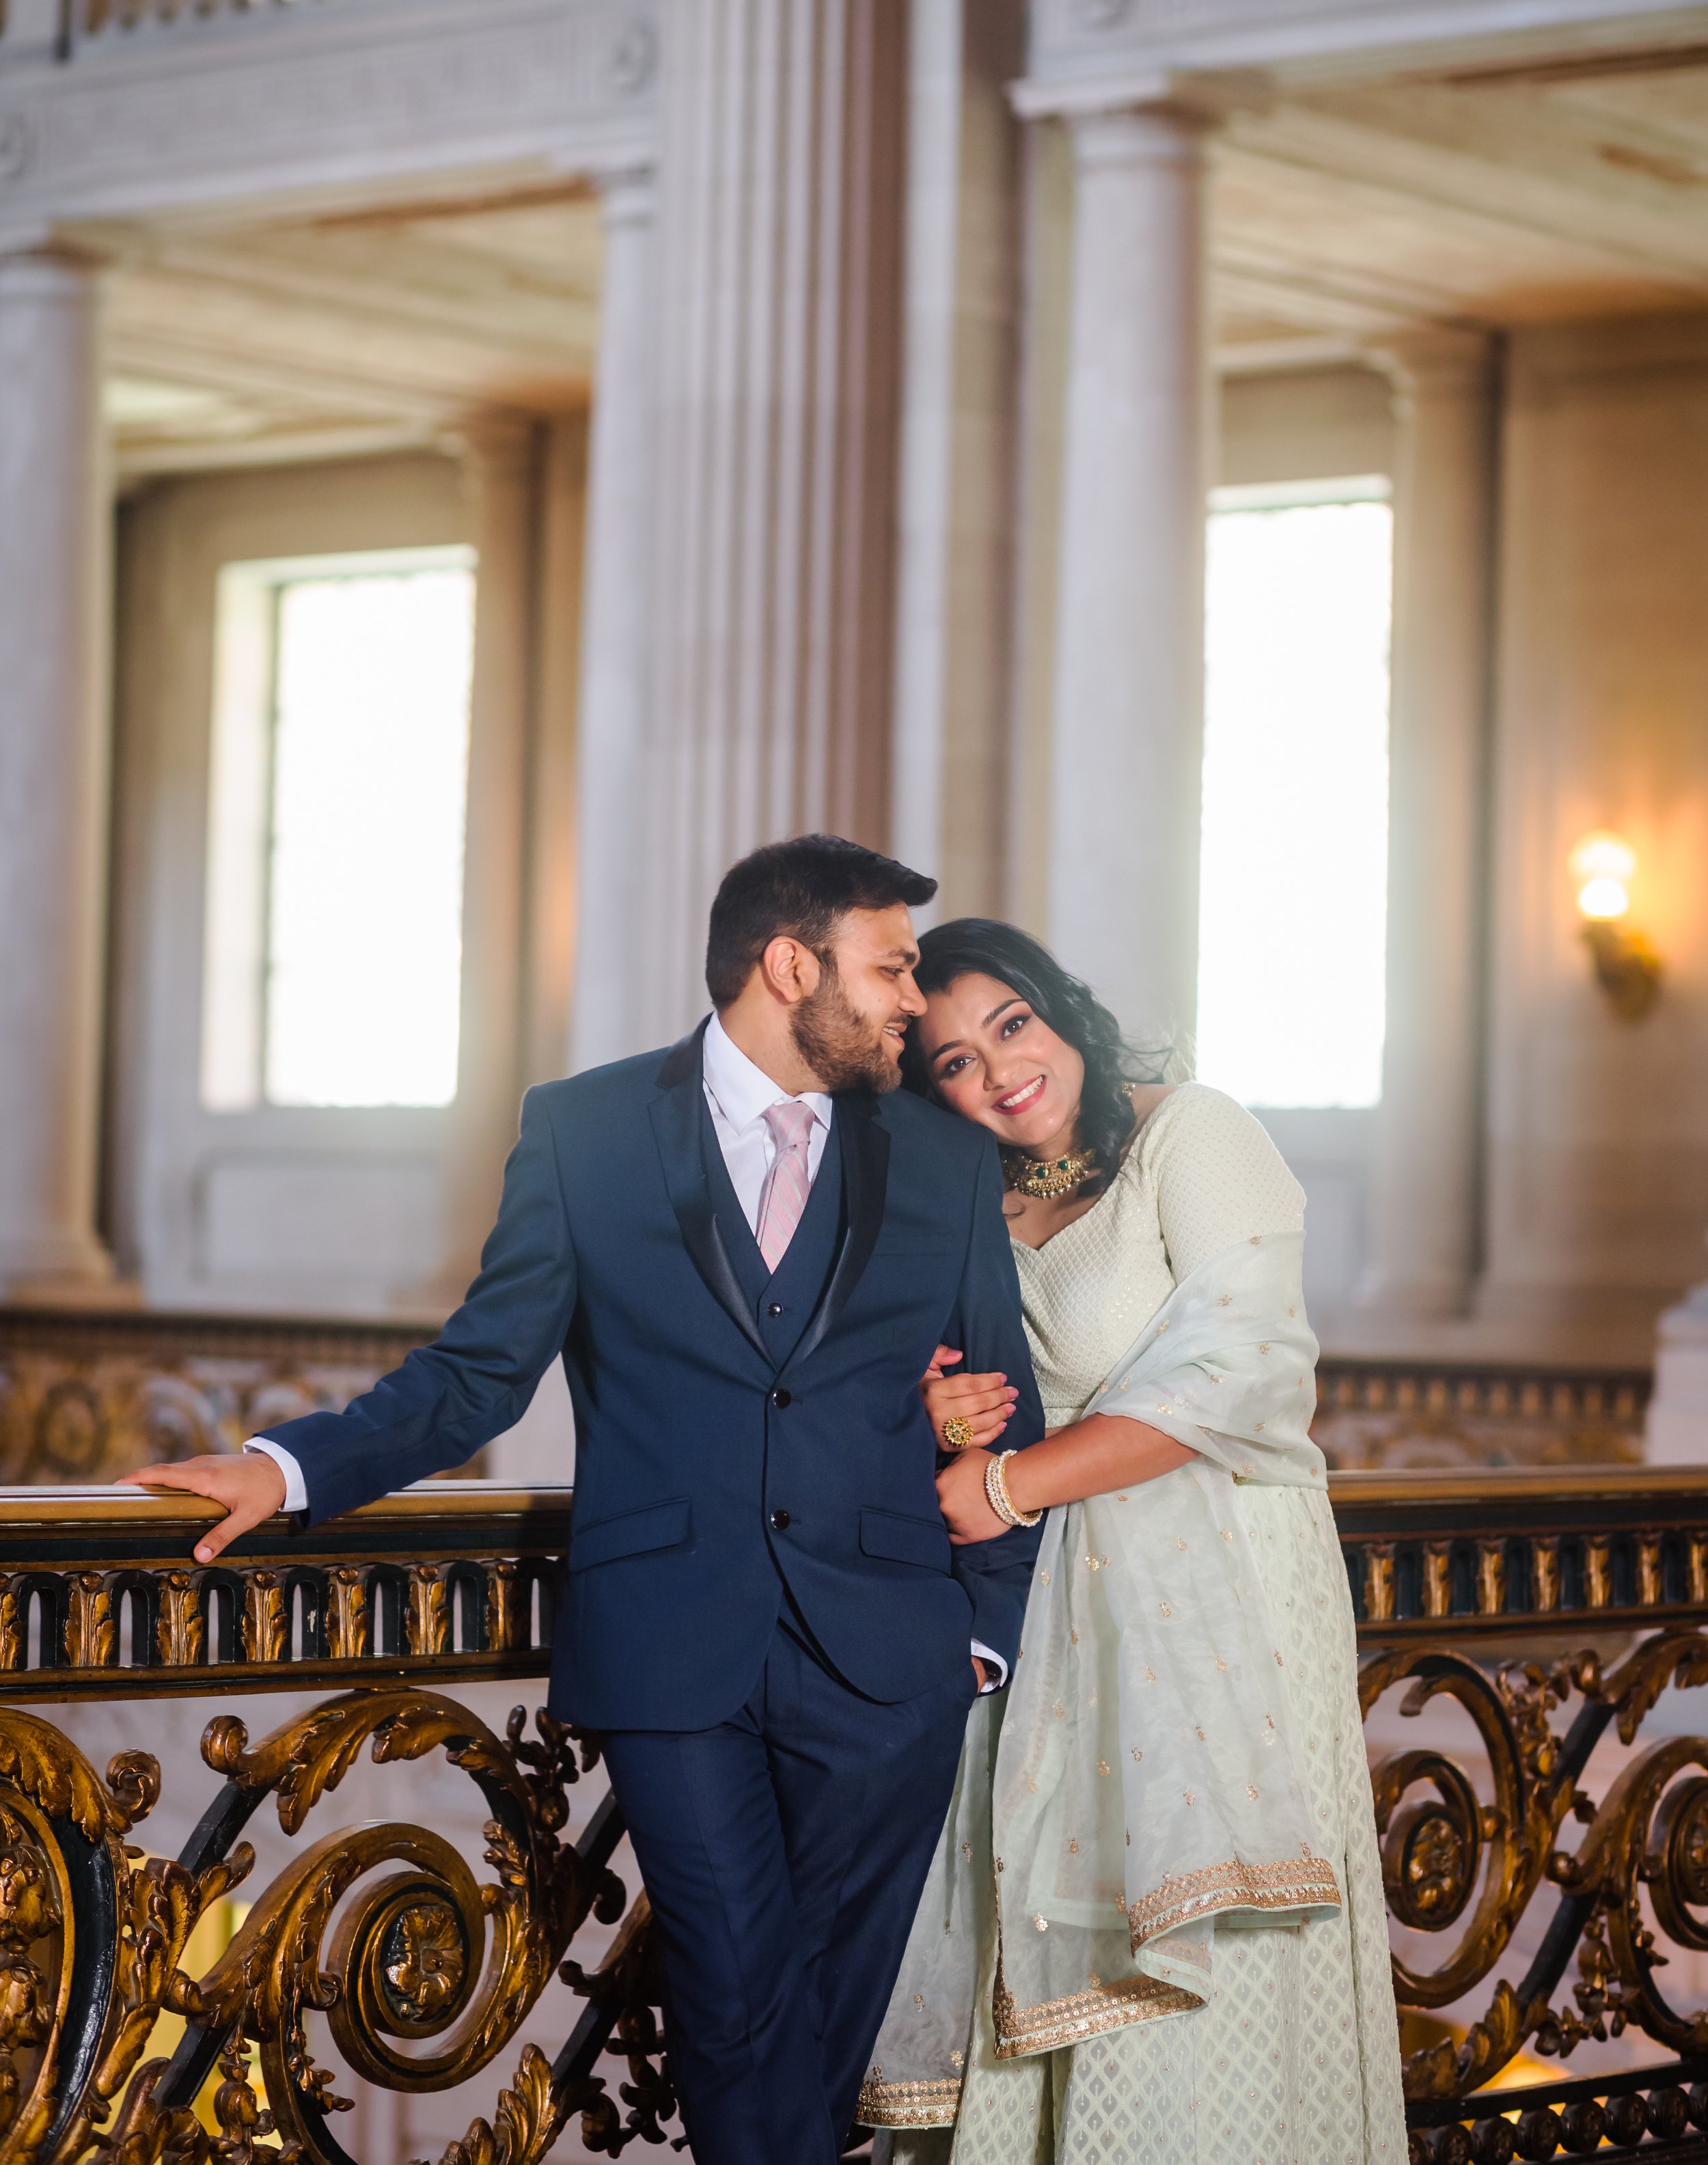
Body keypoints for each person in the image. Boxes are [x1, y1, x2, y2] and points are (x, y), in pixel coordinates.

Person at [122, 838, 1047, 2165]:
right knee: (731, 2003)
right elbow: (480, 1371)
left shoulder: (942, 1161)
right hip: (671, 1645)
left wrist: (981, 1638)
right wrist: (287, 1466)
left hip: (894, 1661)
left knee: (820, 2029)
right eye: (891, 966)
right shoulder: (587, 1128)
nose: (913, 998)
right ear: (791, 966)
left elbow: (1001, 1402)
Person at [858, 918, 1405, 2165]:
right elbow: (926, 1374)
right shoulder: (969, 1201)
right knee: (1051, 1914)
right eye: (952, 1060)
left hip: (1232, 1583)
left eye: (1011, 1023)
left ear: (1061, 1010)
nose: (1000, 1070)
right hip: (1058, 1604)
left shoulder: (1191, 1132)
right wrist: (938, 1404)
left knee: (1211, 1926)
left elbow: (1240, 1371)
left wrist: (1008, 1479)